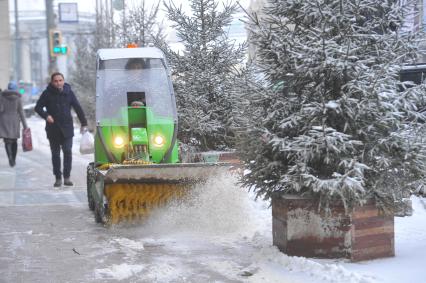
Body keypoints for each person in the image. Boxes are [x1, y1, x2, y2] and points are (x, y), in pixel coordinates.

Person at [35, 72, 87, 187]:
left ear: (63, 81)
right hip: (53, 129)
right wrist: (46, 116)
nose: (58, 83)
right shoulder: (47, 93)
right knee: (55, 154)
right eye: (56, 81)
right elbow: (38, 107)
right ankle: (58, 177)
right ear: (52, 82)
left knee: (68, 151)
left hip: (67, 128)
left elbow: (77, 108)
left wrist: (84, 123)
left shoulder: (69, 93)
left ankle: (67, 177)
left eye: (60, 80)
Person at [0, 81, 28, 167]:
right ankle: (14, 159)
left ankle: (10, 158)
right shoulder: (18, 98)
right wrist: (25, 125)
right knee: (14, 141)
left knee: (7, 141)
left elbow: (1, 109)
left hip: (4, 121)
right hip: (15, 121)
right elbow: (21, 112)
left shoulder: (2, 97)